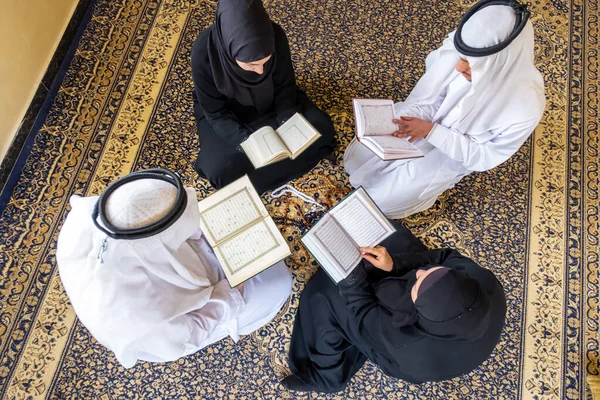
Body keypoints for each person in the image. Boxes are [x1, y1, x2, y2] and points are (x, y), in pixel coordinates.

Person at [56, 169, 292, 368]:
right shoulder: (137, 320)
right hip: (195, 313)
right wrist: (231, 290)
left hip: (174, 261)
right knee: (278, 281)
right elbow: (192, 333)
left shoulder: (102, 212)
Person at [344, 0, 545, 218]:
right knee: (359, 155)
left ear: (499, 64)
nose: (459, 67)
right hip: (426, 120)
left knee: (382, 201)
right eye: (461, 58)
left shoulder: (524, 108)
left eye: (471, 65)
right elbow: (434, 95)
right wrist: (414, 119)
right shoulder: (465, 47)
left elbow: (483, 156)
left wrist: (431, 132)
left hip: (451, 153)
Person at [282, 222, 506, 393]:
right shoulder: (483, 281)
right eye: (431, 272)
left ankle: (328, 378)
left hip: (405, 355)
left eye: (418, 283)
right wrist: (395, 265)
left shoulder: (406, 344)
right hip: (446, 331)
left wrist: (352, 277)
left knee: (325, 294)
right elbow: (444, 257)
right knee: (389, 235)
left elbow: (363, 315)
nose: (418, 273)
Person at [191, 0, 337, 193]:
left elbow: (285, 87)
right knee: (221, 168)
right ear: (229, 51)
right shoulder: (203, 53)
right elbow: (215, 112)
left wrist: (287, 119)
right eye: (251, 65)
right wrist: (246, 141)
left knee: (322, 129)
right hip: (228, 114)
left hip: (271, 102)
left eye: (265, 62)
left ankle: (264, 174)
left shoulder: (276, 36)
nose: (260, 72)